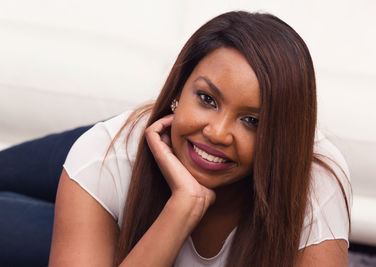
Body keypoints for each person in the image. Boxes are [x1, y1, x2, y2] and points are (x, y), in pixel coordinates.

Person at [48, 11, 352, 267]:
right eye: (207, 99)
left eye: (252, 121)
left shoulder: (315, 180)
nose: (217, 133)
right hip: (125, 153)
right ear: (179, 90)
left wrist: (187, 199)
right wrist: (184, 207)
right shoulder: (104, 155)